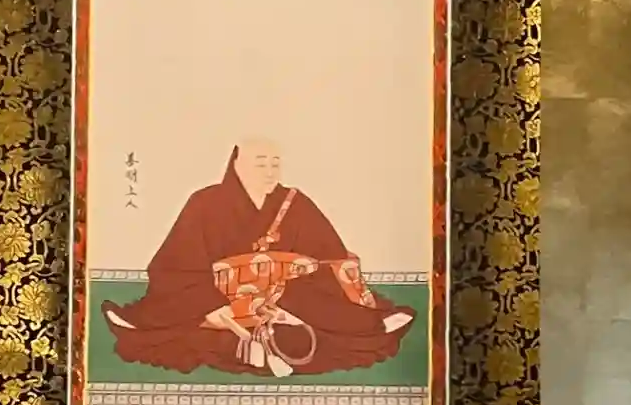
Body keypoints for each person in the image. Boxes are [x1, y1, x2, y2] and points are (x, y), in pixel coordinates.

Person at [100, 139, 416, 377]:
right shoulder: (205, 202)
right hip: (221, 299)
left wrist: (287, 297)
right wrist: (214, 307)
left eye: (275, 164)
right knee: (181, 310)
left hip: (283, 302)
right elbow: (177, 265)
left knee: (314, 303)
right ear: (235, 162)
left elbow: (328, 258)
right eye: (260, 163)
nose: (269, 171)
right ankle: (143, 322)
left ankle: (371, 325)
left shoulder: (296, 202)